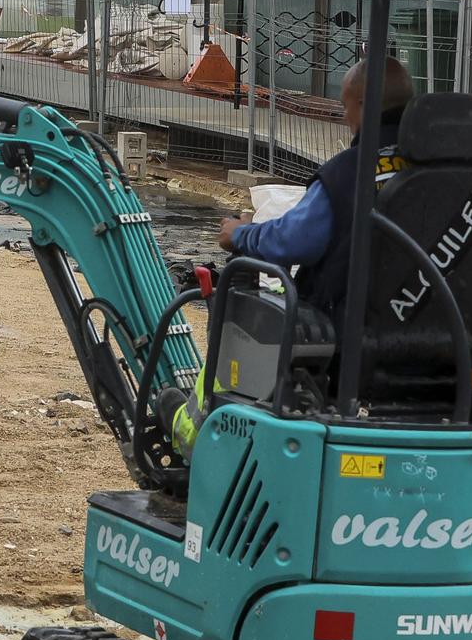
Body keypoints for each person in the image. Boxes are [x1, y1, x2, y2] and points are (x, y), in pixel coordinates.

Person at [159, 55, 414, 453]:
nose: (346, 119)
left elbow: (294, 240)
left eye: (346, 106)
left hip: (348, 334)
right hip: (425, 334)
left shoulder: (349, 174)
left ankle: (196, 433)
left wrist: (242, 234)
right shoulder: (452, 180)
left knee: (244, 305)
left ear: (362, 104)